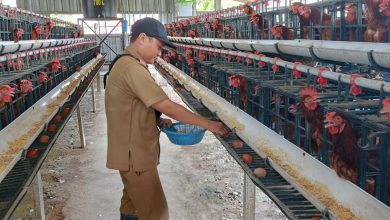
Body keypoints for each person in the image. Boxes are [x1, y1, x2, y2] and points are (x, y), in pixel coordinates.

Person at [104, 17, 231, 220]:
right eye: (159, 47)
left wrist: (156, 121)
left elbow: (131, 106)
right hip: (135, 156)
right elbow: (166, 105)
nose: (160, 53)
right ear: (143, 38)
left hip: (129, 153)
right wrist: (209, 124)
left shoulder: (127, 63)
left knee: (132, 205)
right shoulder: (132, 68)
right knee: (157, 213)